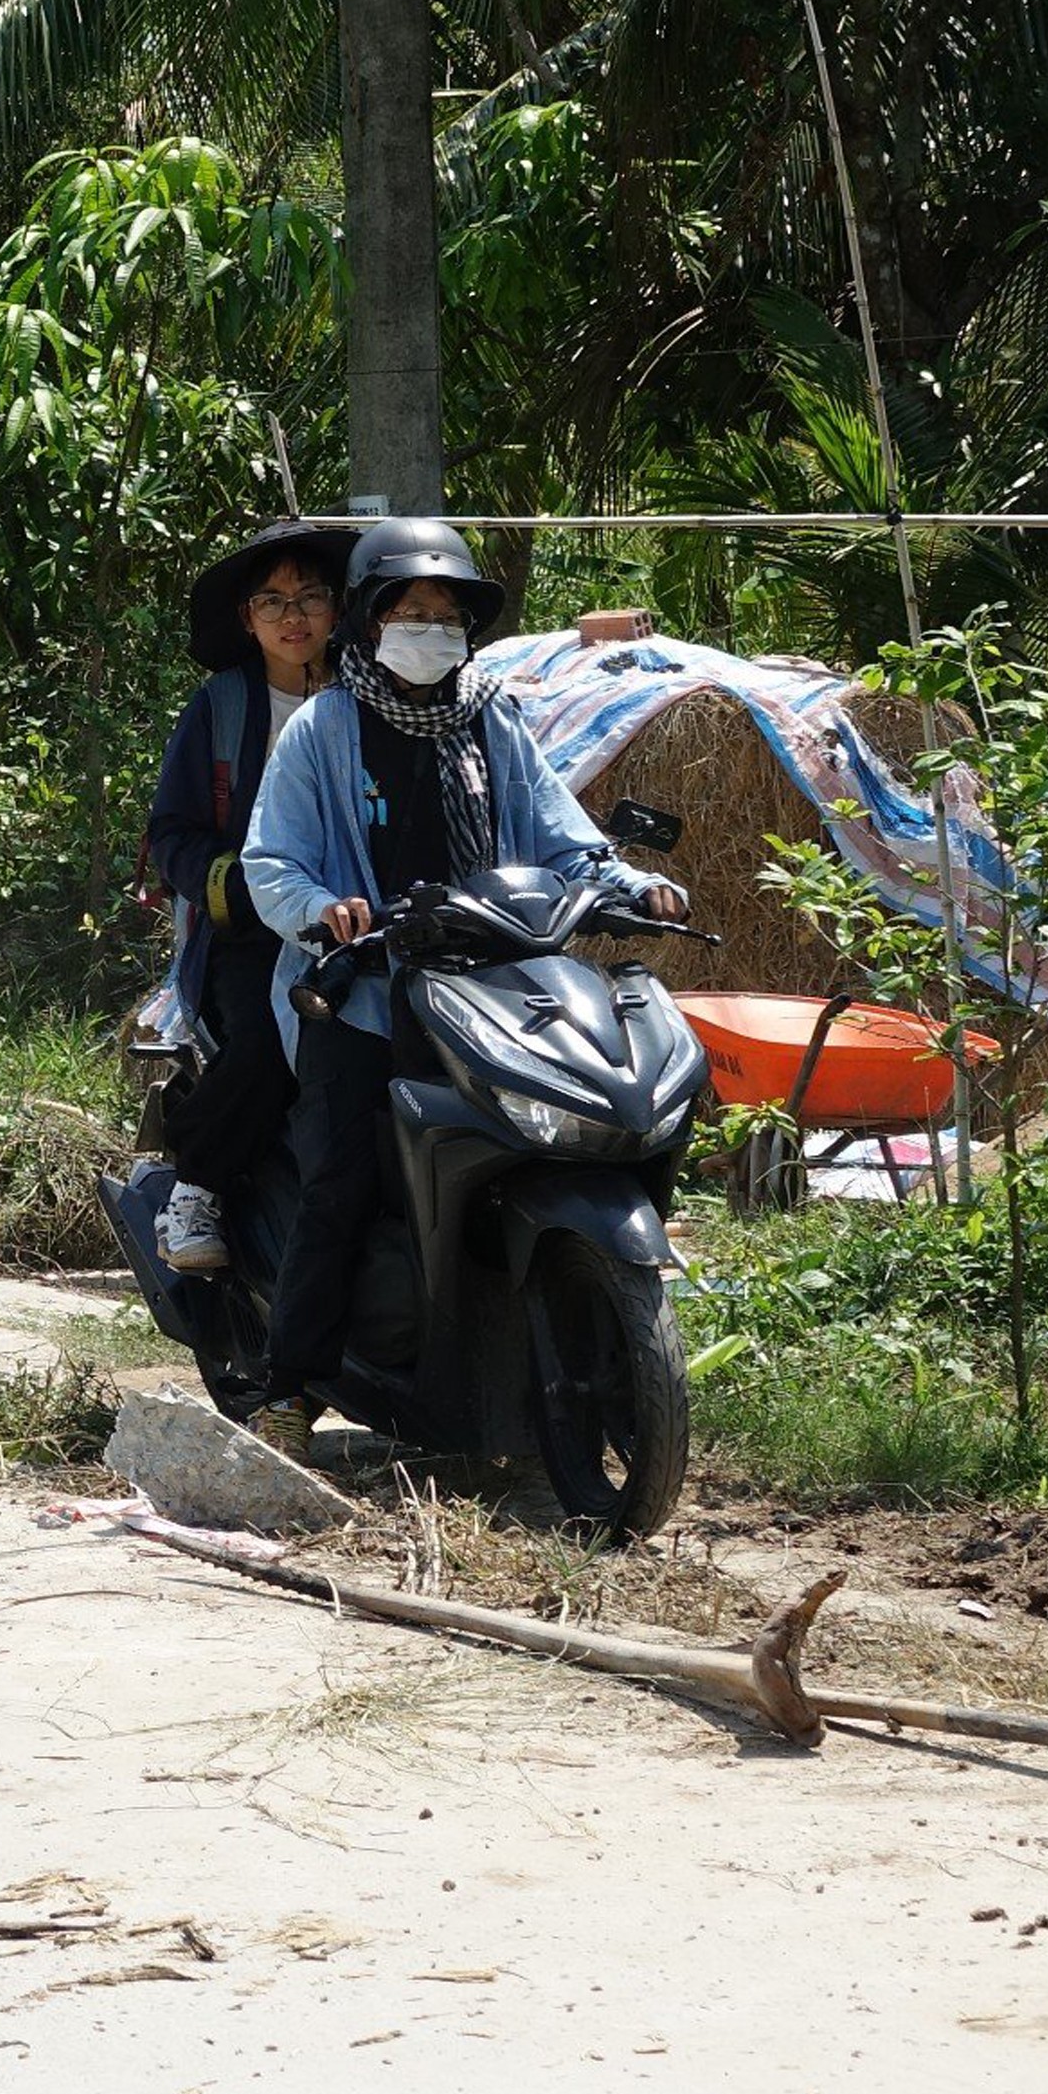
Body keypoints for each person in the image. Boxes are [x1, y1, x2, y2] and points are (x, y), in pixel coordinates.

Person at [238, 521, 685, 1457]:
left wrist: (625, 885)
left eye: (447, 615)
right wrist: (326, 910)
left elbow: (561, 835)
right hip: (363, 990)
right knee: (342, 1178)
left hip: (493, 980)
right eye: (411, 612)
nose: (431, 630)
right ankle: (289, 1386)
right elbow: (271, 862)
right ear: (368, 622)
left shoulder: (492, 716)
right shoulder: (323, 727)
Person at [139, 523, 347, 1273]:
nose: (294, 617)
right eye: (273, 601)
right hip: (254, 935)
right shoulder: (221, 708)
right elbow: (172, 833)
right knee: (266, 1046)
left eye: (311, 597)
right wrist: (233, 885)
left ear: (338, 608)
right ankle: (194, 1187)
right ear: (247, 619)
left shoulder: (372, 699)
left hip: (365, 929)